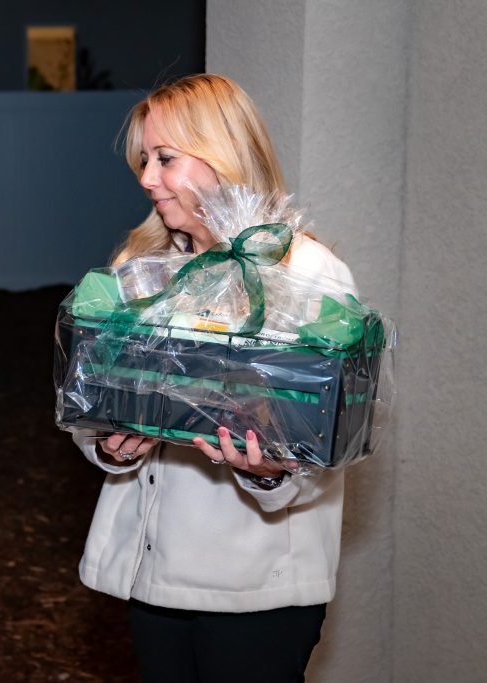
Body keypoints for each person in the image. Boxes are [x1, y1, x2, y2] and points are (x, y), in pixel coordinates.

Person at [72, 74, 356, 682]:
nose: (147, 178)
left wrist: (273, 469)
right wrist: (111, 445)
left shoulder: (305, 275)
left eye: (166, 158)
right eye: (145, 159)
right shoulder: (144, 270)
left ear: (224, 156)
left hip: (254, 592)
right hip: (153, 579)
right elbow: (99, 397)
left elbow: (329, 438)